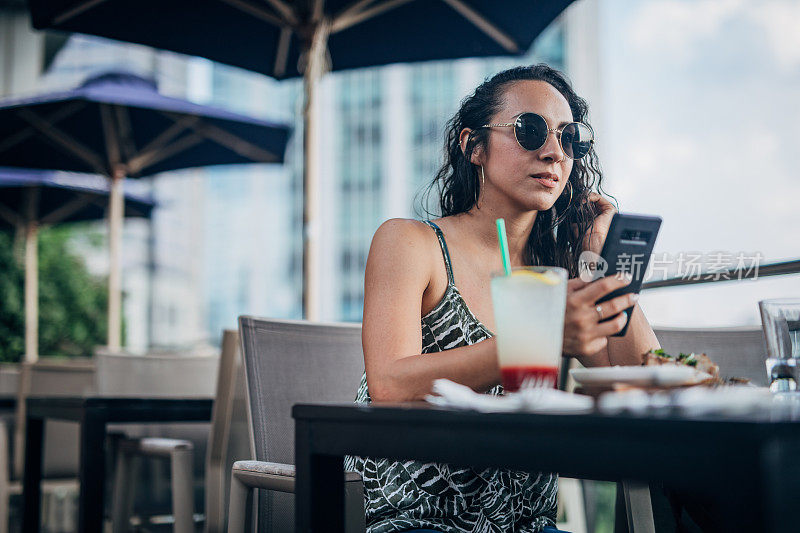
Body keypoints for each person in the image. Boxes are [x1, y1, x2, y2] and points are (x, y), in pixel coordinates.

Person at [345, 64, 660, 533]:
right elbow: (390, 384)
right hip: (419, 519)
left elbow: (638, 379)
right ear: (473, 146)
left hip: (530, 524)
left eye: (568, 137)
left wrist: (600, 254)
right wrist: (538, 335)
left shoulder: (558, 271)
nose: (554, 152)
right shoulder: (412, 242)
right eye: (529, 131)